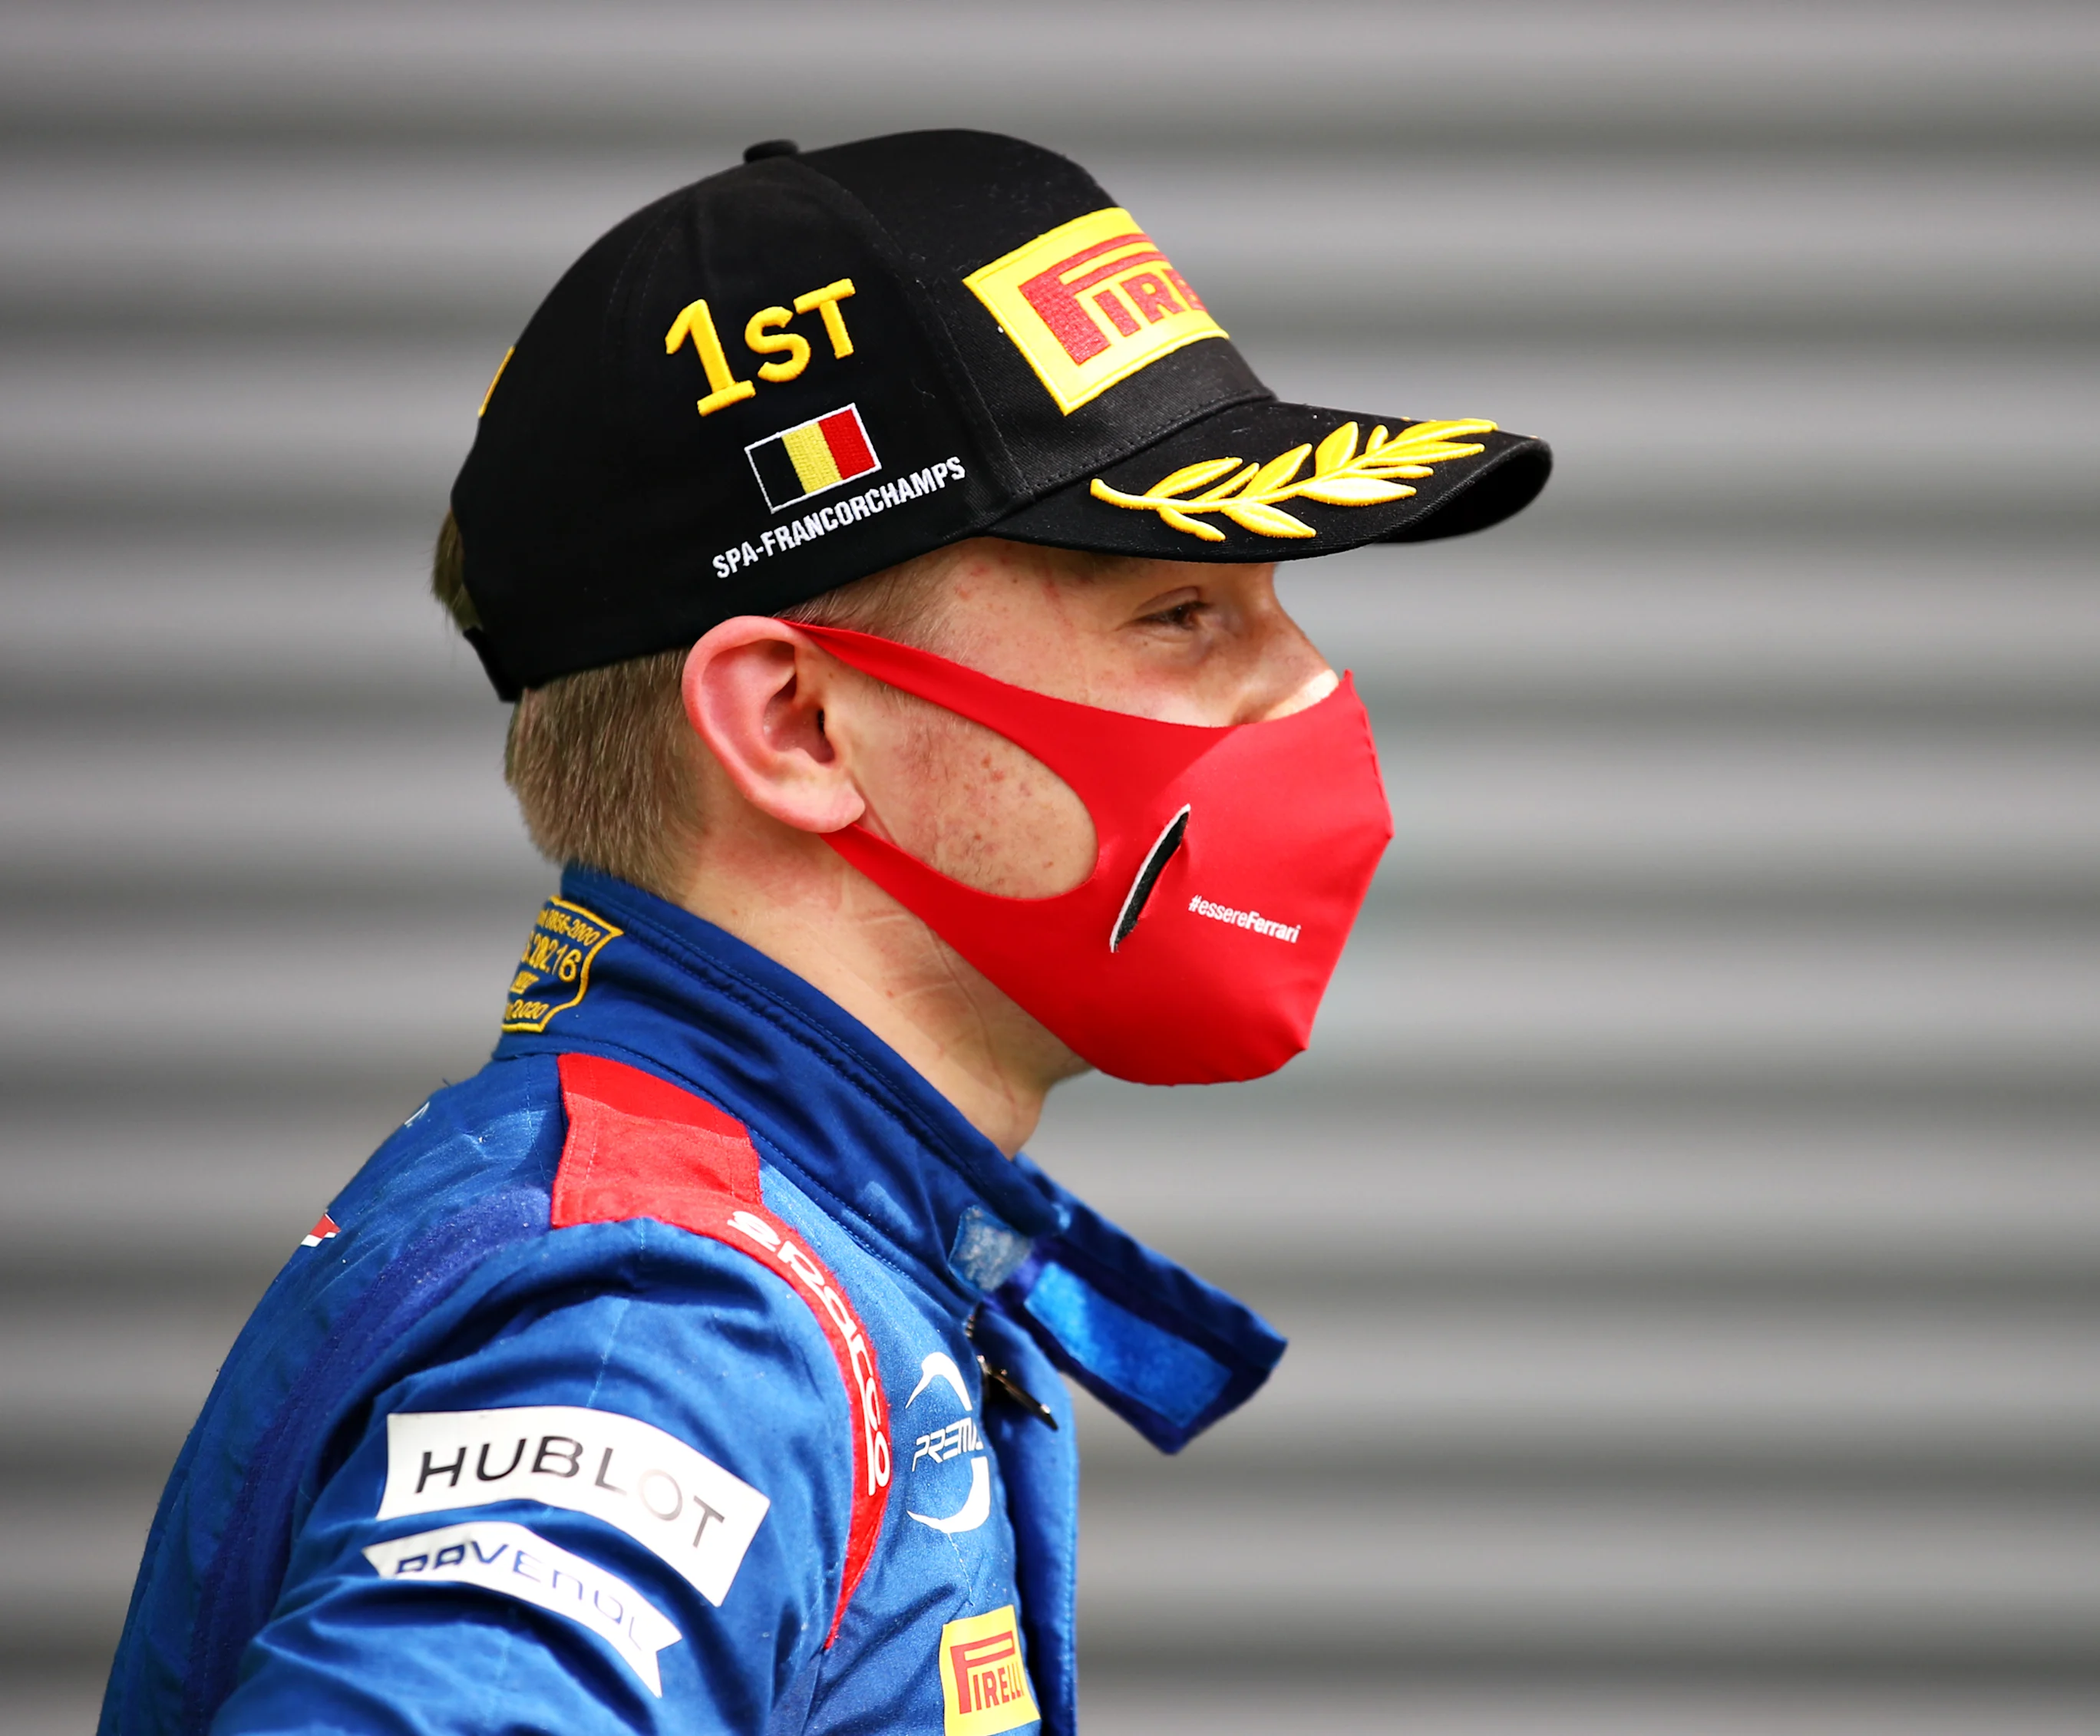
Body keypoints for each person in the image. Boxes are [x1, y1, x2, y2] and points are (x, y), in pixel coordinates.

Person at [99, 130, 1547, 1734]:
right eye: (1181, 612)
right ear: (794, 726)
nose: (1310, 698)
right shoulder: (658, 1331)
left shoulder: (791, 1239)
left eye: (1280, 606)